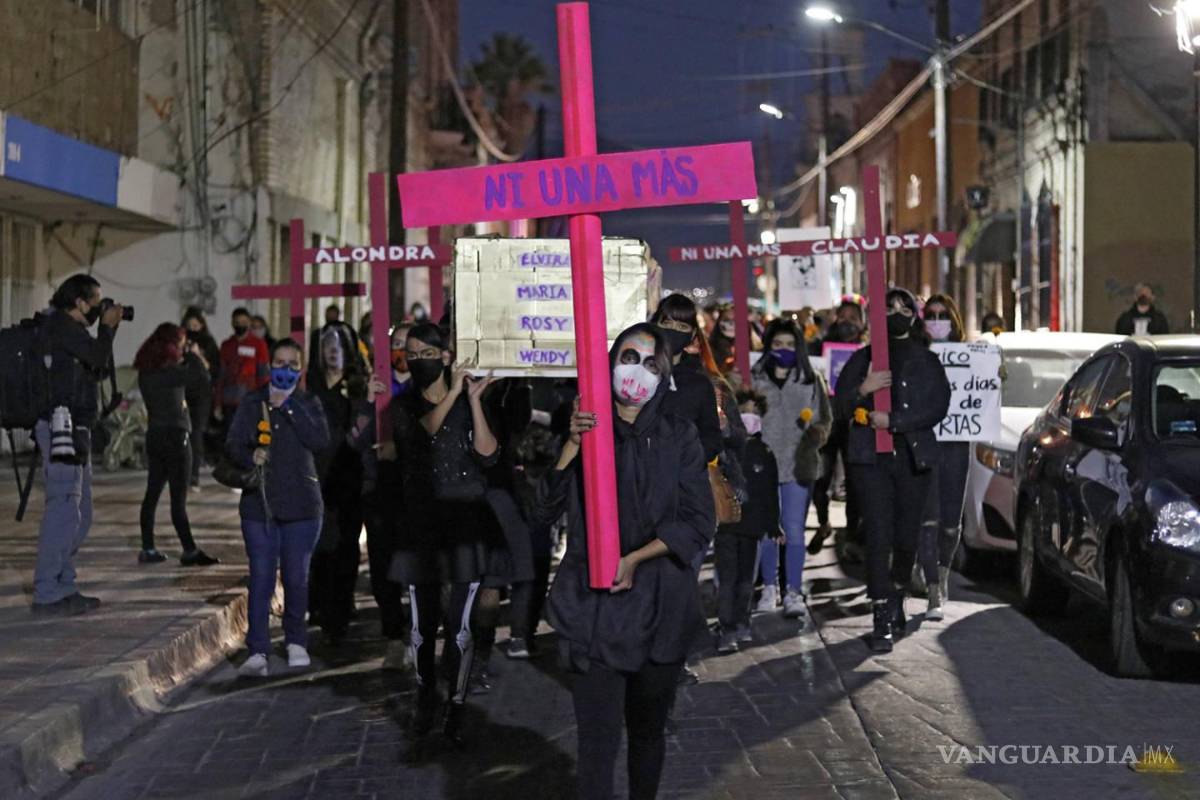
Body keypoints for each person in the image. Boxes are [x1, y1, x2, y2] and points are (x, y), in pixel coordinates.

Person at [539, 323, 715, 800]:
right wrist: (571, 447)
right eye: (628, 358)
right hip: (595, 612)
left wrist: (637, 557)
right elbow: (543, 509)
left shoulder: (680, 435)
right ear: (610, 361)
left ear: (665, 376)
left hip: (659, 608)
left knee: (646, 733)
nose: (637, 372)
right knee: (597, 743)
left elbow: (701, 519)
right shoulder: (583, 427)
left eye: (652, 363)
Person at [388, 323, 503, 744]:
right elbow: (423, 433)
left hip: (465, 523)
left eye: (427, 354)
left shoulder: (469, 402)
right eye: (412, 355)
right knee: (422, 625)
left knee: (460, 626)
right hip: (422, 524)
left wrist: (472, 400)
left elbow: (488, 454)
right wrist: (454, 392)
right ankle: (425, 695)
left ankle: (455, 703)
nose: (419, 362)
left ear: (446, 356)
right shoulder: (403, 406)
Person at [834, 288, 951, 653]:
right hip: (871, 459)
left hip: (911, 458)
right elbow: (838, 406)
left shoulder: (925, 360)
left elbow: (937, 406)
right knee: (878, 535)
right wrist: (862, 389)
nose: (897, 313)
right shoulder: (863, 359)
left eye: (904, 308)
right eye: (889, 308)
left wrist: (894, 421)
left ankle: (899, 590)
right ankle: (881, 611)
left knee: (906, 537)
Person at [228, 338, 330, 677]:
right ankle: (258, 648)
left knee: (296, 577)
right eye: (279, 363)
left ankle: (295, 641)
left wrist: (287, 407)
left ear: (299, 369)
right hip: (261, 507)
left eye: (291, 364)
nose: (284, 370)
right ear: (269, 365)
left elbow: (319, 440)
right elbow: (232, 445)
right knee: (261, 578)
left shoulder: (307, 402)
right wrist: (249, 455)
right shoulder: (252, 401)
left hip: (302, 507)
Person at [30, 275, 125, 616]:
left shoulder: (72, 332)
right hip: (60, 426)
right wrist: (109, 329)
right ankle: (47, 591)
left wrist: (105, 333)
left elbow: (95, 371)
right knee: (64, 508)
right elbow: (98, 358)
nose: (101, 308)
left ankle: (63, 583)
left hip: (75, 426)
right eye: (96, 302)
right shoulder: (61, 328)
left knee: (79, 513)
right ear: (81, 303)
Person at [751, 319, 831, 618]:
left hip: (799, 466)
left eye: (789, 344)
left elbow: (825, 418)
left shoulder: (811, 379)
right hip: (764, 466)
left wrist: (817, 434)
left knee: (794, 531)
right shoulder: (755, 378)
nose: (783, 350)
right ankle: (769, 587)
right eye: (777, 344)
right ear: (768, 346)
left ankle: (793, 590)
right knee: (768, 531)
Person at [134, 323, 219, 566]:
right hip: (176, 438)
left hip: (156, 436)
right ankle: (189, 550)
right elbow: (202, 378)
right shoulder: (170, 373)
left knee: (152, 494)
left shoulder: (147, 372)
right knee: (177, 500)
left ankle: (148, 548)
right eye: (180, 343)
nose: (183, 347)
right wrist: (193, 353)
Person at [306, 325, 368, 644]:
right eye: (326, 345)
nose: (332, 351)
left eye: (338, 345)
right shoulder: (310, 388)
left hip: (347, 478)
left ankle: (340, 609)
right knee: (319, 544)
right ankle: (317, 603)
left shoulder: (358, 389)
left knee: (344, 545)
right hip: (315, 477)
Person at [714, 390, 780, 654]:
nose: (749, 417)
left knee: (745, 581)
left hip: (752, 528)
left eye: (754, 412)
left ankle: (742, 622)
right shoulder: (724, 449)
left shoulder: (764, 453)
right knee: (727, 579)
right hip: (727, 526)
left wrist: (774, 525)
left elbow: (770, 493)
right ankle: (726, 628)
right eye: (744, 411)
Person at [917, 294, 970, 621]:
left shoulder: (972, 356)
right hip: (926, 442)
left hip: (956, 445)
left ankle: (943, 570)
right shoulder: (916, 355)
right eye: (931, 315)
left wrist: (996, 378)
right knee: (928, 517)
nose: (937, 321)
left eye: (943, 315)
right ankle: (933, 588)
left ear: (954, 320)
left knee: (951, 522)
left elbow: (980, 396)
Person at [649, 294, 722, 463]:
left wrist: (688, 460)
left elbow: (712, 438)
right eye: (667, 323)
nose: (673, 331)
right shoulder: (636, 374)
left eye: (682, 326)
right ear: (654, 325)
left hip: (682, 481)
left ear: (693, 334)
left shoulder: (699, 385)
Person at [182, 307, 220, 489]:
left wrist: (198, 354)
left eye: (195, 325)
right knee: (184, 433)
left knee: (197, 432)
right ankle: (183, 472)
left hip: (202, 394)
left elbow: (213, 370)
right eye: (189, 325)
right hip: (183, 392)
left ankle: (194, 475)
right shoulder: (181, 342)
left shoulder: (209, 343)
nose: (192, 329)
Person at [214, 307, 269, 427]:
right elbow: (221, 376)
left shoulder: (259, 344)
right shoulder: (227, 345)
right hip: (229, 401)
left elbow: (263, 375)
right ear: (232, 323)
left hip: (250, 400)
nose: (240, 325)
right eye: (237, 323)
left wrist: (264, 401)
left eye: (244, 322)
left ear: (249, 323)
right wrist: (218, 403)